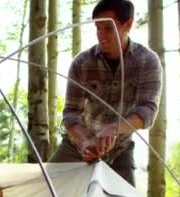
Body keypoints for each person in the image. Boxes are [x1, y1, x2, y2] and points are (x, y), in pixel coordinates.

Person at [49, 0, 162, 186]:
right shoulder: (82, 63)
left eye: (108, 28)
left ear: (128, 25)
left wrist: (113, 128)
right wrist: (85, 142)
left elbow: (147, 112)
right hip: (77, 147)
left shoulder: (147, 62)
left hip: (120, 150)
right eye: (97, 28)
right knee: (46, 190)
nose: (101, 35)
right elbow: (70, 114)